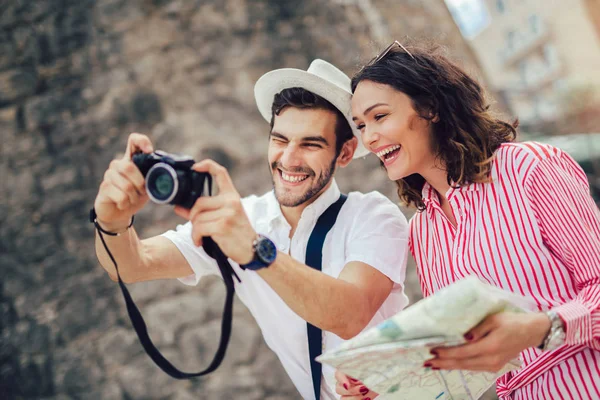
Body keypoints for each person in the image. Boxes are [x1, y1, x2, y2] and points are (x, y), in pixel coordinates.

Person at [93, 59, 410, 400]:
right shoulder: (241, 219)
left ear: (345, 152)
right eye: (280, 139)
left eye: (310, 144)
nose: (289, 159)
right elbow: (129, 264)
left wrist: (256, 251)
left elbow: (349, 314)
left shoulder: (374, 216)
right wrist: (111, 219)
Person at [336, 42, 600, 399]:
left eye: (379, 117)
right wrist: (384, 382)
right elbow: (461, 352)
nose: (369, 137)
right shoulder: (423, 231)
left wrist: (541, 328)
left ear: (430, 108)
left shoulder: (528, 169)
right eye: (361, 125)